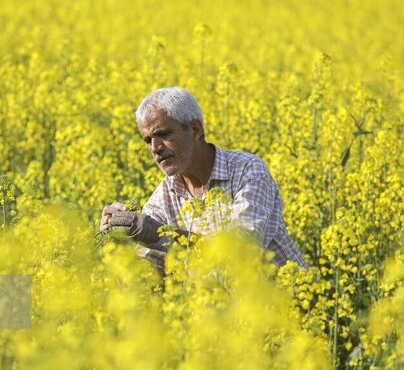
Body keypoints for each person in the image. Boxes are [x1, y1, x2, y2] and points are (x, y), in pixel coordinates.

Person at [99, 87, 308, 274]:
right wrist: (121, 247)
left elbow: (241, 252)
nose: (155, 148)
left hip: (289, 308)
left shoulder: (247, 170)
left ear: (195, 129)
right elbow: (152, 273)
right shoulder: (163, 198)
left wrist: (161, 234)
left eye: (162, 134)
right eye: (148, 141)